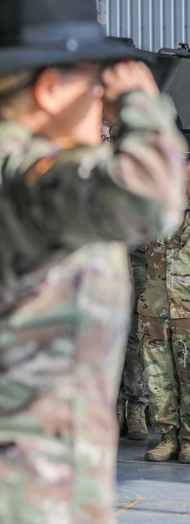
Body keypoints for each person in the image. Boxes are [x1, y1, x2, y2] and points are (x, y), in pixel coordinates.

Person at [0, 0, 185, 522]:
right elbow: (153, 198)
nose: (104, 100)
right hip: (22, 497)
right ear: (52, 88)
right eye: (95, 84)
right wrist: (144, 105)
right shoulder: (35, 180)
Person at [137, 152, 190, 462]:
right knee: (159, 377)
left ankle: (188, 440)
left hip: (187, 306)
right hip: (155, 306)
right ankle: (167, 438)